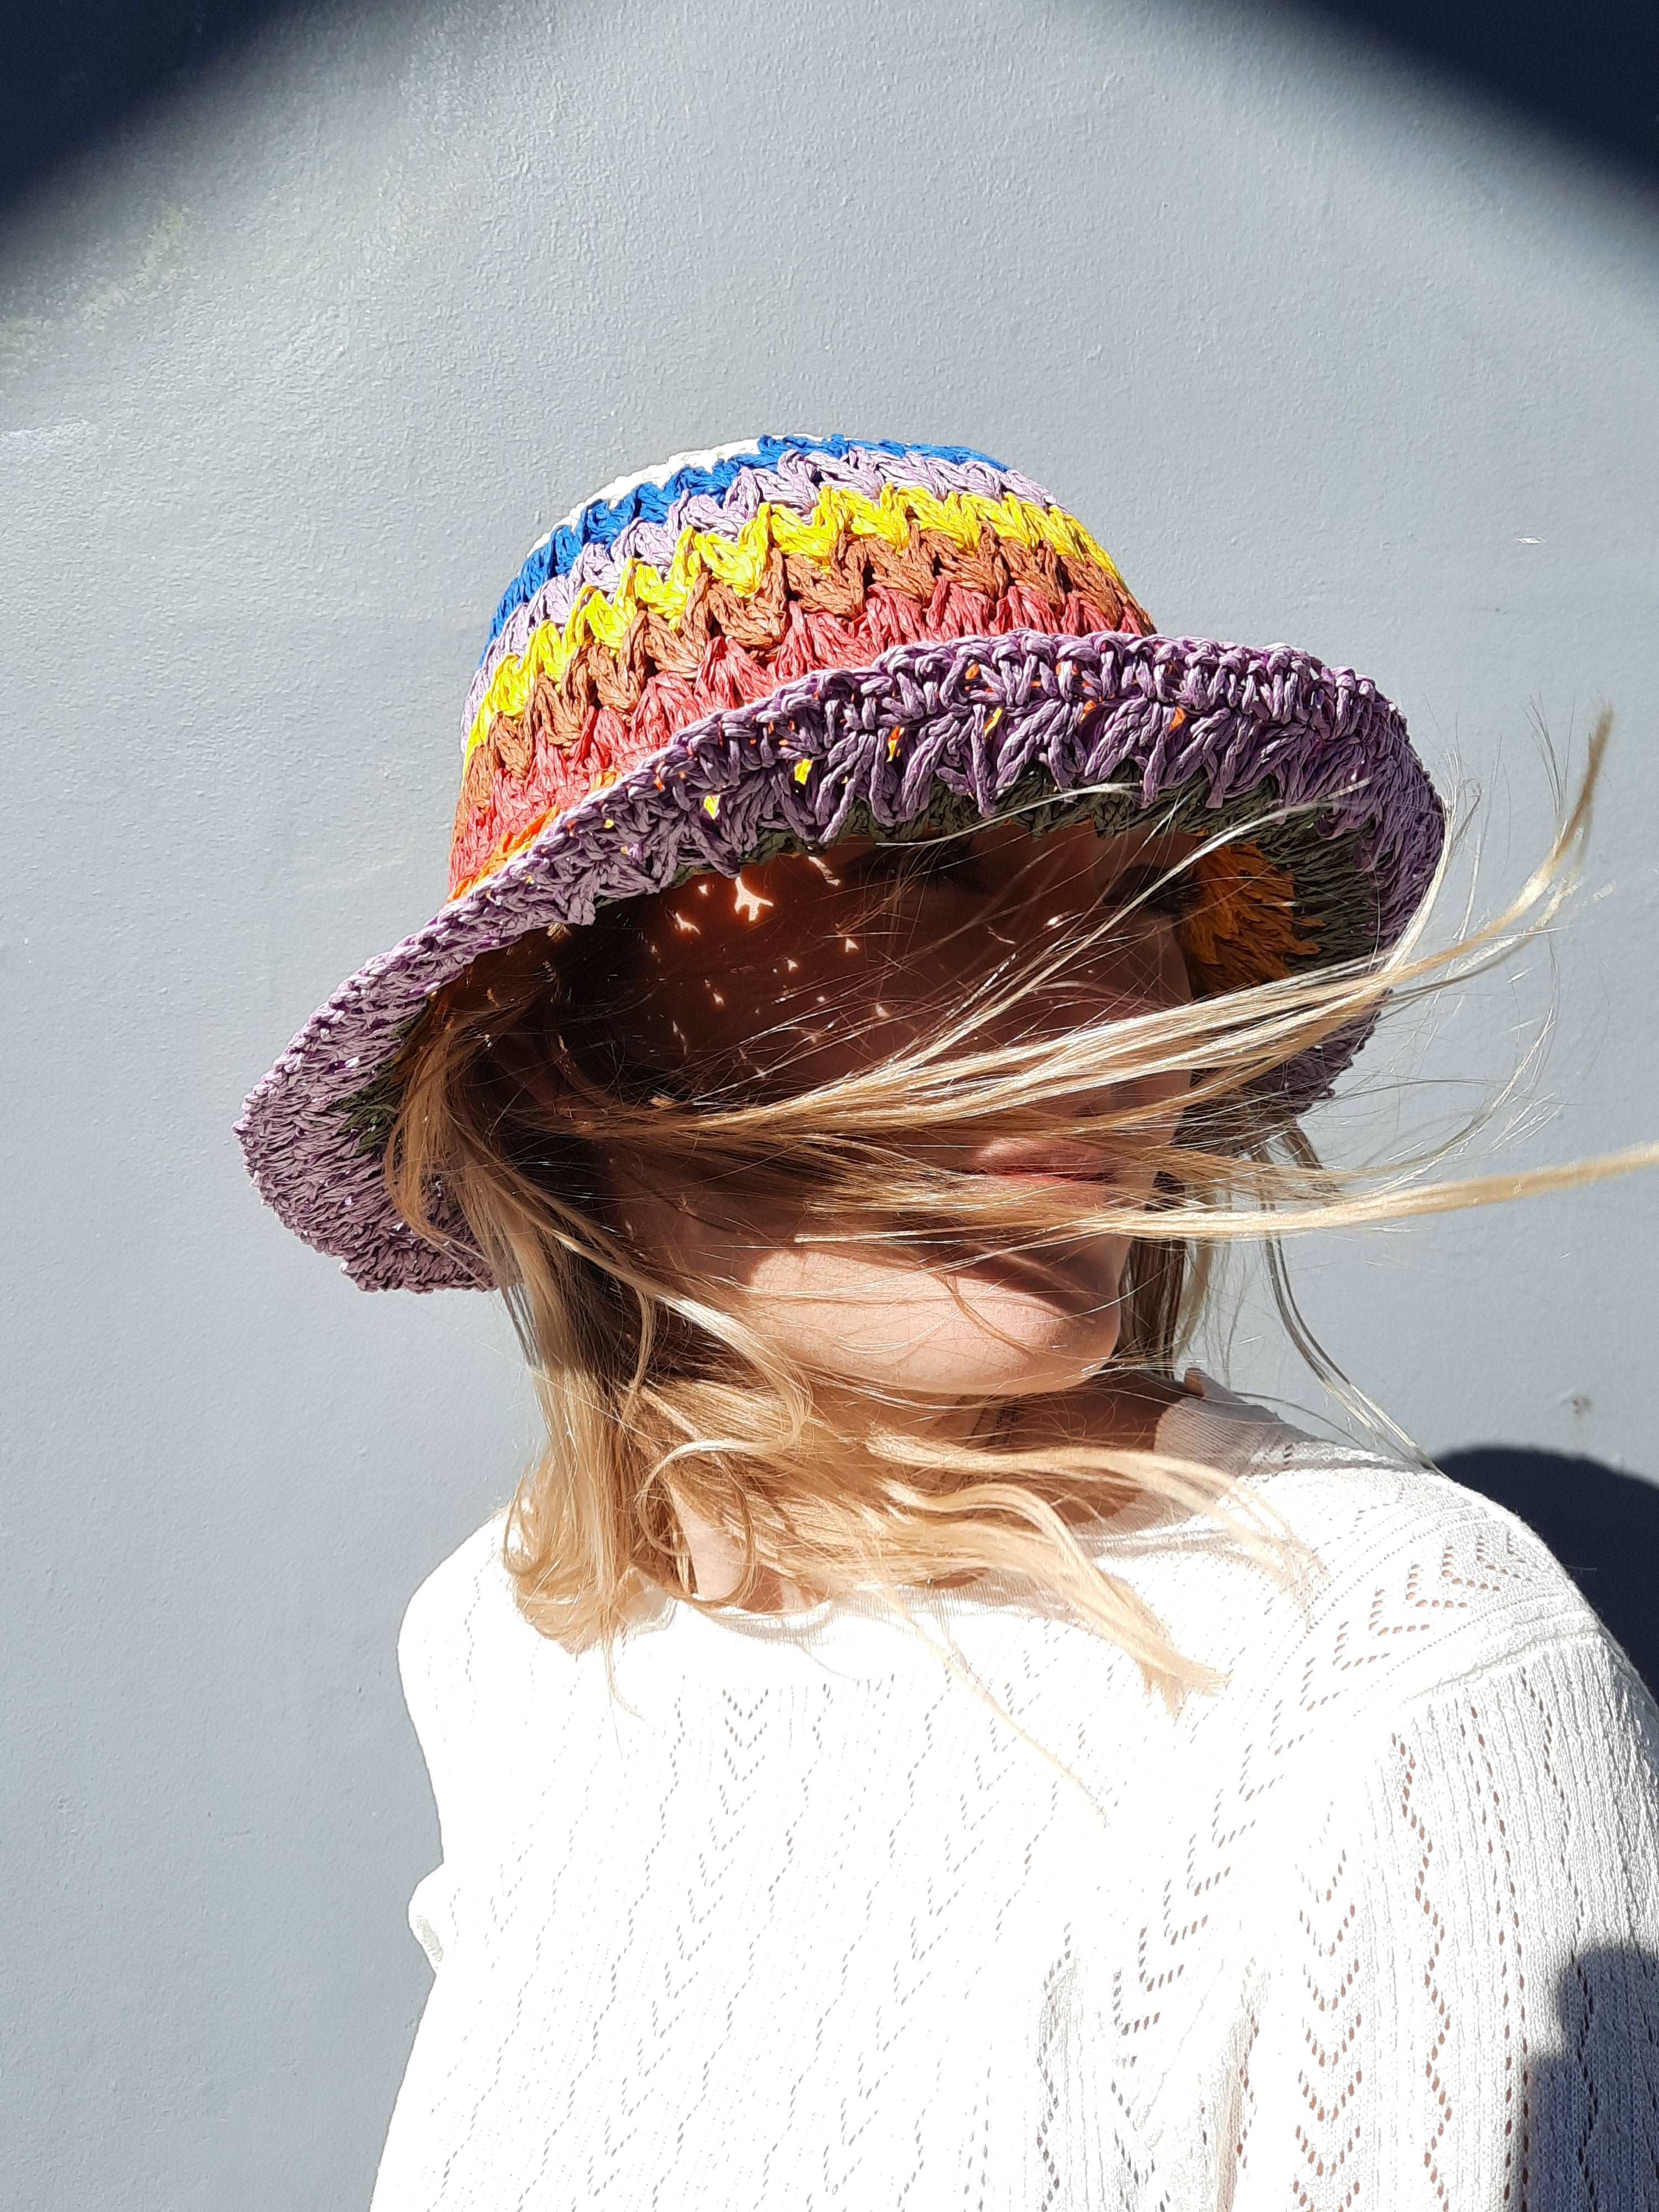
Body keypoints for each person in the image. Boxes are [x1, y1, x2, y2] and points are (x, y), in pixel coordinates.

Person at [239, 436, 1659, 2208]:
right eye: (920, 866)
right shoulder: (520, 1635)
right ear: (555, 1038)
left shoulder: (1398, 1669)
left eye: (1148, 898)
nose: (1112, 1014)